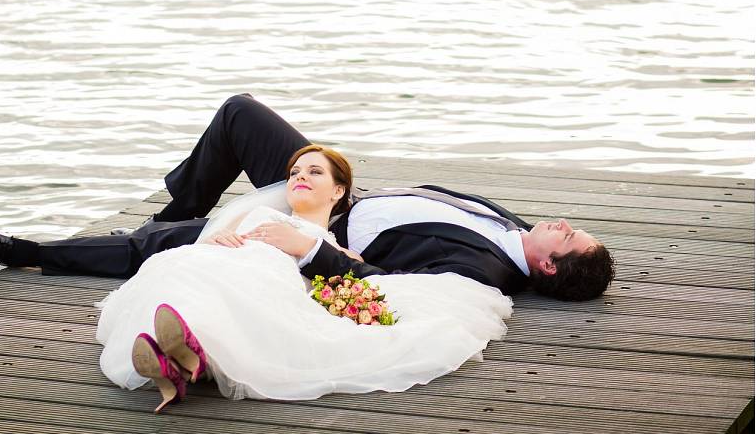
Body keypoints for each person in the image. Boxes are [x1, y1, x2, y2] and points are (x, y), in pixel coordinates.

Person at [0, 93, 615, 297]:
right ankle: (181, 204)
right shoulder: (517, 231)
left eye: (566, 236)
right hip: (339, 190)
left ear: (549, 266)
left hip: (325, 228)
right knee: (242, 114)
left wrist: (307, 240)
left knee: (158, 248)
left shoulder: (486, 272)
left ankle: (27, 251)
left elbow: (381, 281)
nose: (559, 222)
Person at [91, 143, 512, 408]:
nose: (300, 178)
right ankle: (181, 356)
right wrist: (218, 241)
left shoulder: (334, 242)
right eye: (295, 172)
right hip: (229, 258)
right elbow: (218, 243)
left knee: (234, 287)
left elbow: (368, 276)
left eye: (314, 173)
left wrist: (303, 245)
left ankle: (186, 359)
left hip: (270, 273)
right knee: (180, 265)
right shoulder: (260, 213)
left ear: (338, 191)